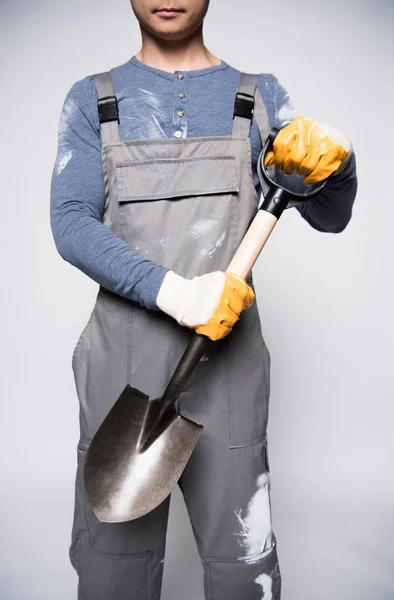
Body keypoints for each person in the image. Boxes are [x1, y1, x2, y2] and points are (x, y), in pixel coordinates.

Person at [50, 1, 358, 599]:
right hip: (123, 370)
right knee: (114, 569)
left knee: (242, 567)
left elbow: (329, 215)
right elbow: (70, 222)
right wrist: (175, 292)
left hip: (229, 372)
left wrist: (339, 170)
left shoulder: (259, 98)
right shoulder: (92, 99)